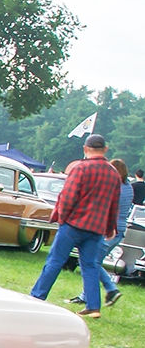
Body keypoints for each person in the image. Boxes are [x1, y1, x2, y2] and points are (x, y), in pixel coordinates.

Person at [29, 133, 121, 319]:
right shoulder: (114, 174)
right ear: (105, 149)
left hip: (73, 224)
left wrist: (62, 217)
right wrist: (111, 228)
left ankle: (37, 297)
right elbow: (114, 204)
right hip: (96, 228)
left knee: (55, 261)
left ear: (85, 149)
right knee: (90, 266)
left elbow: (68, 197)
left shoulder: (81, 169)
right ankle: (94, 306)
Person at [65, 158, 132, 308]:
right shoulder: (128, 187)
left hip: (110, 229)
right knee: (92, 262)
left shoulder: (116, 188)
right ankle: (87, 295)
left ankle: (110, 289)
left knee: (90, 262)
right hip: (120, 230)